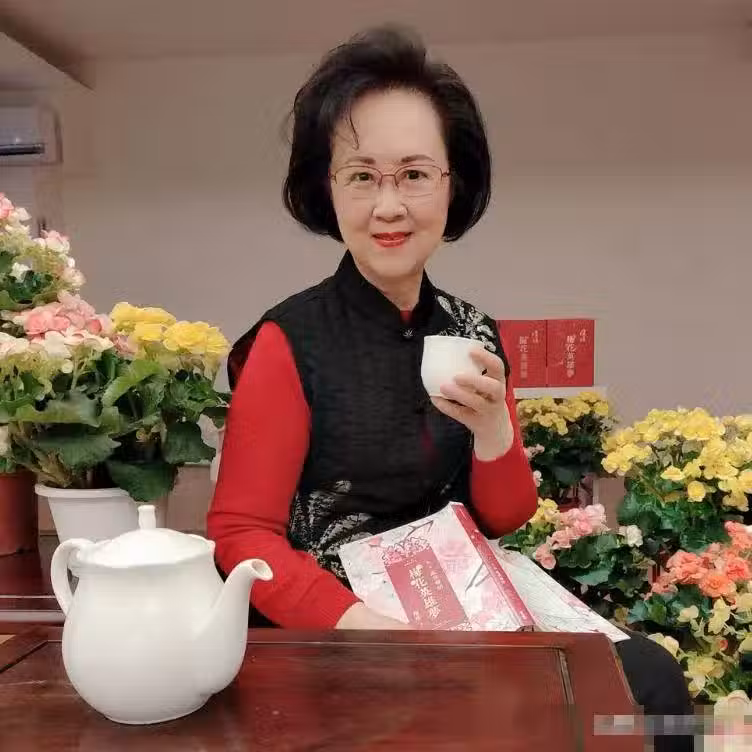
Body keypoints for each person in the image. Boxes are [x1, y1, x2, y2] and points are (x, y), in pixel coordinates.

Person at [208, 26, 693, 750]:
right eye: (361, 175)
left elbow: (503, 516)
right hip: (340, 619)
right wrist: (367, 628)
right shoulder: (288, 341)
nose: (389, 205)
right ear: (327, 187)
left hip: (459, 589)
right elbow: (241, 535)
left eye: (414, 174)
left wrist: (495, 431)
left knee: (650, 684)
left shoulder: (473, 331)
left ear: (452, 183)